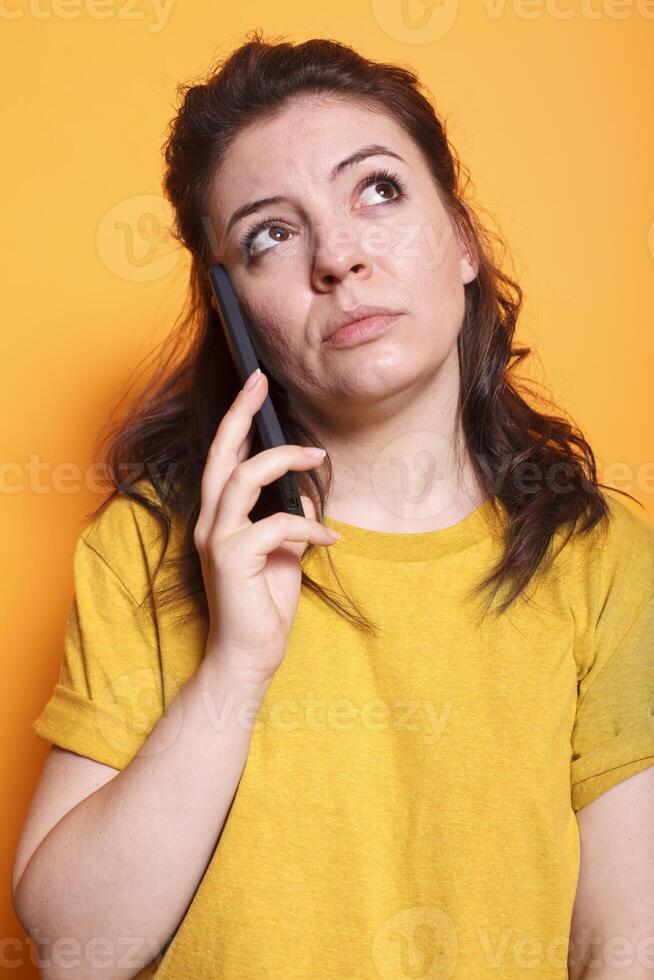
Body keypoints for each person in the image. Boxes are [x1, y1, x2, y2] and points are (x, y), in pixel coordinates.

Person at [12, 30, 654, 980]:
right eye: (272, 233)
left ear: (464, 242)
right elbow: (72, 953)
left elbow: (627, 941)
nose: (338, 257)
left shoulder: (600, 558)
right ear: (234, 310)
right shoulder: (146, 547)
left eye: (379, 190)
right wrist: (234, 666)